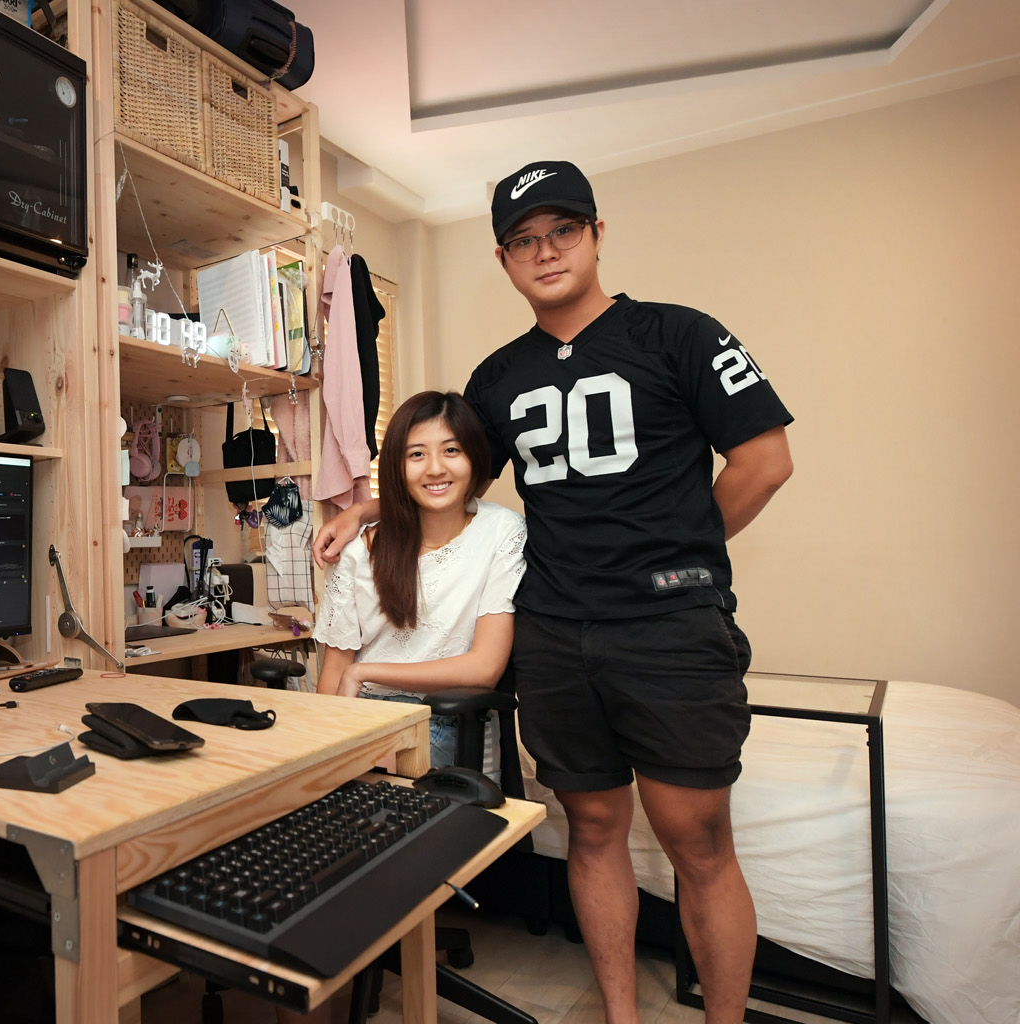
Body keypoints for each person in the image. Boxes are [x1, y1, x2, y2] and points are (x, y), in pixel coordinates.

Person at [314, 160, 794, 1024]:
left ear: (598, 235)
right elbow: (450, 475)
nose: (546, 251)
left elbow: (766, 461)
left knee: (699, 841)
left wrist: (679, 551)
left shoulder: (679, 335)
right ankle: (621, 1016)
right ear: (504, 261)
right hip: (558, 638)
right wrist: (368, 509)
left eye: (563, 231)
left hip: (668, 629)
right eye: (524, 241)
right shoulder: (498, 379)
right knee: (594, 830)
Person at [313, 390, 527, 778]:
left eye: (451, 450)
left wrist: (366, 672)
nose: (434, 469)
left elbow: (484, 668)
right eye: (416, 454)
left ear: (474, 457)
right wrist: (324, 744)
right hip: (362, 714)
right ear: (398, 466)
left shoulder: (501, 530)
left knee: (365, 784)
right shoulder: (358, 549)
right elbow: (335, 671)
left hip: (446, 719)